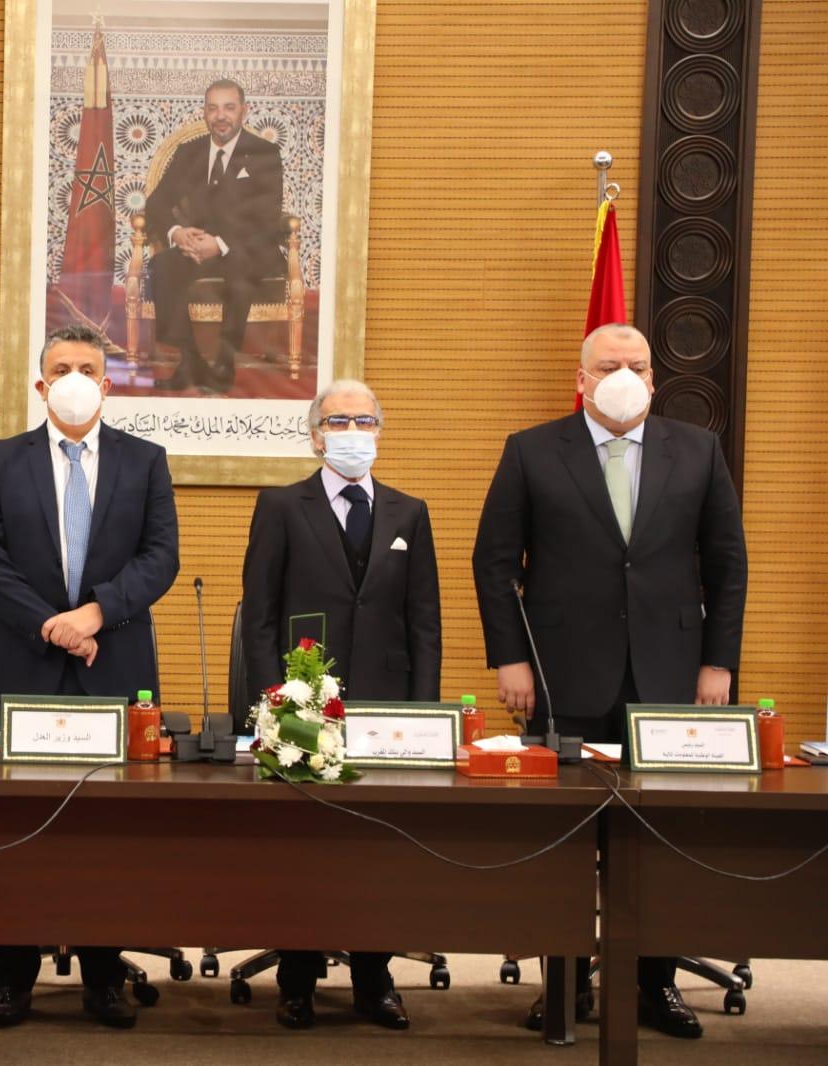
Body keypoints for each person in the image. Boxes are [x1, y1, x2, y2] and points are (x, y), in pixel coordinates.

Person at [472, 322, 747, 1040]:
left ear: (654, 378)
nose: (625, 376)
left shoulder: (698, 450)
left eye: (637, 366)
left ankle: (655, 984)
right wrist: (510, 658)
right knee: (565, 842)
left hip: (671, 677)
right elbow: (494, 563)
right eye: (608, 365)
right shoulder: (532, 450)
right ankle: (564, 988)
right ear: (582, 378)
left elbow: (728, 565)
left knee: (660, 841)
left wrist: (718, 663)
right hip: (561, 674)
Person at [0, 323, 179, 1030]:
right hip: (20, 664)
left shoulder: (146, 461)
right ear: (41, 385)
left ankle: (104, 975)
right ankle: (9, 975)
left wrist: (94, 613)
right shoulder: (0, 459)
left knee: (107, 835)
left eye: (88, 368)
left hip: (113, 664)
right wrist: (49, 623)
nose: (75, 379)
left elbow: (160, 557)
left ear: (107, 384)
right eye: (62, 369)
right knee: (11, 831)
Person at [241, 379, 439, 1033]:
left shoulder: (409, 512)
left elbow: (424, 622)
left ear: (380, 429)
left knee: (377, 847)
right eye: (337, 421)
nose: (352, 431)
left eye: (363, 420)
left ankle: (373, 979)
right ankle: (296, 979)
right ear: (315, 435)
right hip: (303, 696)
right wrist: (272, 704)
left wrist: (423, 714)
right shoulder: (280, 505)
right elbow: (260, 616)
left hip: (388, 703)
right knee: (304, 847)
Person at [146, 78, 285, 394]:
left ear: (244, 111)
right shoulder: (188, 152)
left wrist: (220, 245)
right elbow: (157, 203)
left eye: (229, 107)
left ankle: (224, 363)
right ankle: (189, 360)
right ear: (204, 113)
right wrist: (177, 233)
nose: (220, 116)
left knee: (240, 268)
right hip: (196, 247)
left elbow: (266, 217)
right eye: (213, 108)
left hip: (246, 248)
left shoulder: (264, 153)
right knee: (163, 267)